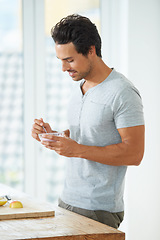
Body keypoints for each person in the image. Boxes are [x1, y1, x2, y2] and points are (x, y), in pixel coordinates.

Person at [31, 14, 145, 229]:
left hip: (98, 209)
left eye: (70, 60)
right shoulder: (79, 88)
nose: (64, 68)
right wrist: (53, 136)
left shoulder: (123, 92)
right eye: (61, 61)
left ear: (91, 51)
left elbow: (135, 153)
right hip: (67, 201)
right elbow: (86, 137)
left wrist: (77, 149)